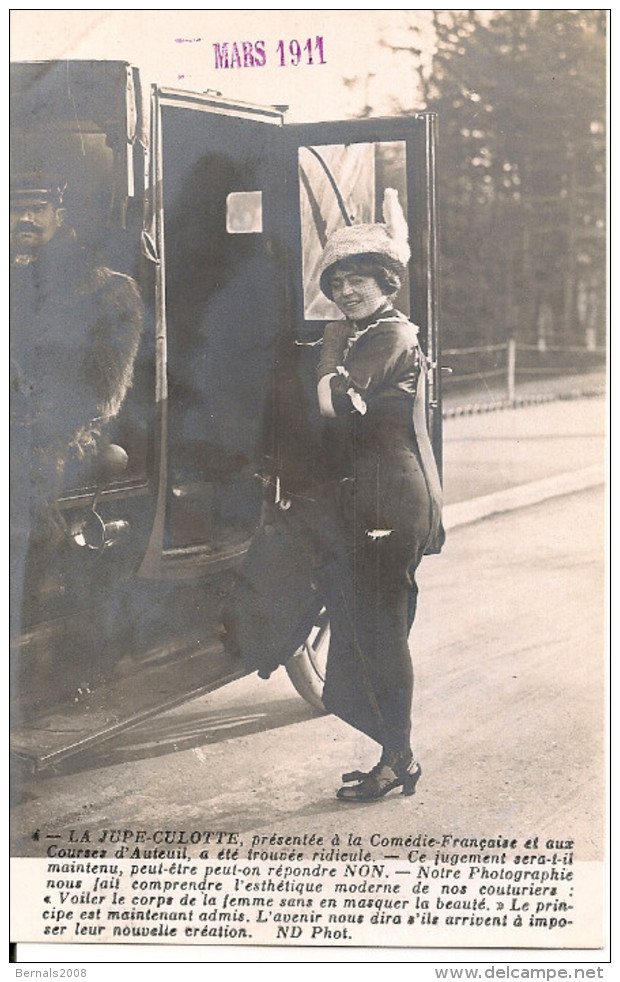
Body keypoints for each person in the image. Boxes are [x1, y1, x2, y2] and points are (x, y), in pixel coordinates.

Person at [314, 189, 444, 802]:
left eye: (359, 280)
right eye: (338, 282)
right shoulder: (370, 333)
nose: (345, 292)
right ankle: (395, 754)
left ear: (387, 284)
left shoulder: (388, 335)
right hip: (373, 497)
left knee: (384, 631)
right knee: (369, 627)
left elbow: (336, 405)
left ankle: (399, 760)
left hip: (391, 501)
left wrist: (331, 353)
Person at [10, 172, 144, 638]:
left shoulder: (107, 290)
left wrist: (27, 425)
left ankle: (23, 615)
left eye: (36, 208)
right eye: (16, 208)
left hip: (71, 426)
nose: (24, 218)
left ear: (58, 216)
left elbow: (101, 392)